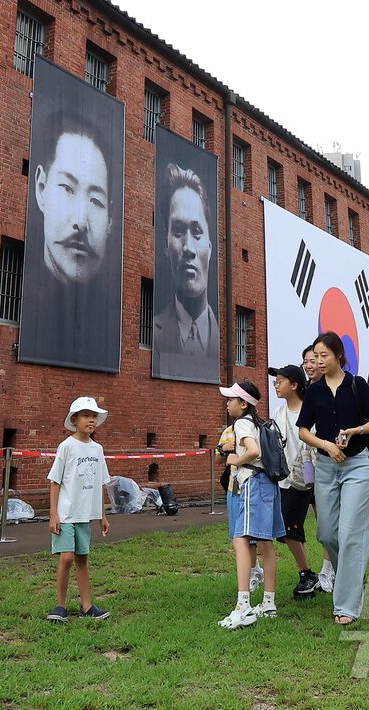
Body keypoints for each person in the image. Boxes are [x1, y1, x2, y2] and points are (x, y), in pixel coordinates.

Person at [297, 331, 369, 625]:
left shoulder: (356, 385)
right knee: (326, 532)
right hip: (325, 466)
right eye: (316, 357)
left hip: (357, 465)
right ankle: (351, 574)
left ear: (339, 355)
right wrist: (326, 445)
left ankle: (347, 605)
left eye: (324, 356)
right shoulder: (314, 390)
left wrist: (355, 431)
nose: (319, 361)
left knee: (350, 533)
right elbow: (303, 430)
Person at [20, 113, 119, 370]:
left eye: (95, 201)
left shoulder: (114, 324)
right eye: (67, 188)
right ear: (41, 188)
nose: (81, 221)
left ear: (110, 220)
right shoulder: (21, 300)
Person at [216, 380, 282, 628]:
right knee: (265, 542)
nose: (228, 403)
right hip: (267, 484)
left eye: (231, 400)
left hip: (252, 484)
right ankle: (268, 603)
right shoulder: (259, 422)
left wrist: (236, 460)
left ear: (243, 403)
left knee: (240, 539)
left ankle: (243, 606)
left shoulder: (242, 423)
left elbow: (253, 451)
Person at [46, 396, 113, 622]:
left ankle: (87, 606)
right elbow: (55, 482)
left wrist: (102, 515)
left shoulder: (98, 449)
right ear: (74, 419)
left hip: (86, 514)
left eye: (94, 416)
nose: (91, 420)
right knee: (66, 558)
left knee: (82, 558)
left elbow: (100, 484)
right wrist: (54, 514)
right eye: (86, 415)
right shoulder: (66, 447)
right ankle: (60, 606)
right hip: (66, 513)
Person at [152, 164, 219, 382]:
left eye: (197, 233)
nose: (188, 247)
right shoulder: (153, 330)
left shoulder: (224, 339)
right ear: (165, 245)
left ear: (209, 247)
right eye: (178, 231)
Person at [268, 364, 321, 600]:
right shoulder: (278, 413)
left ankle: (324, 573)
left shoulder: (311, 411)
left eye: (280, 381)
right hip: (288, 477)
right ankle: (307, 574)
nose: (276, 385)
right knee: (289, 528)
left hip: (314, 474)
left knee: (325, 528)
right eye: (275, 381)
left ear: (294, 385)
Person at [300, 342, 336, 593]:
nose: (311, 365)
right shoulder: (304, 391)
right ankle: (321, 569)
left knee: (328, 518)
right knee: (317, 518)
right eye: (307, 361)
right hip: (306, 464)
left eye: (315, 360)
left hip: (328, 461)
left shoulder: (332, 390)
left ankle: (329, 569)